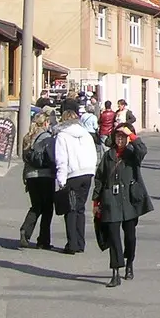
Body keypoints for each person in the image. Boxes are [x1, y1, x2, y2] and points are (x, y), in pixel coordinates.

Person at [93, 124, 153, 288]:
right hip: (110, 200)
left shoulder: (133, 154)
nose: (119, 140)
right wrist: (95, 202)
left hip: (129, 200)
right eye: (117, 136)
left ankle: (129, 263)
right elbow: (99, 178)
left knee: (130, 236)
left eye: (123, 137)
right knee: (113, 236)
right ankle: (115, 272)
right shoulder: (108, 155)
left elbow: (143, 150)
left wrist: (132, 136)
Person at [53, 98, 99, 254]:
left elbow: (61, 159)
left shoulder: (62, 135)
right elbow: (93, 153)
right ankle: (80, 243)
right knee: (80, 209)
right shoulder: (85, 134)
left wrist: (61, 180)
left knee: (70, 210)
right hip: (87, 173)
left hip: (72, 174)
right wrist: (91, 169)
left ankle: (72, 244)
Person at [19, 112, 57, 249]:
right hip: (45, 176)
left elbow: (24, 158)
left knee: (36, 206)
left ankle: (25, 230)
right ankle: (43, 240)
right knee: (47, 208)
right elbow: (51, 158)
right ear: (45, 123)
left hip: (30, 176)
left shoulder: (27, 137)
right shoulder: (47, 137)